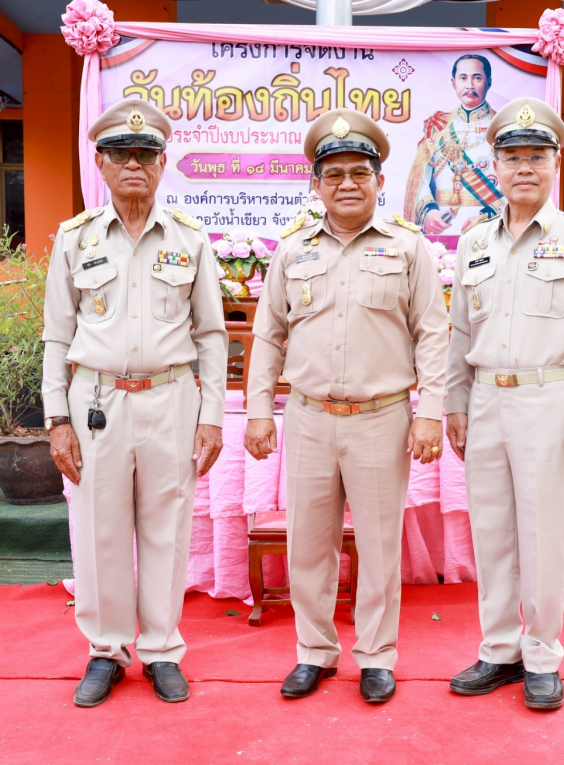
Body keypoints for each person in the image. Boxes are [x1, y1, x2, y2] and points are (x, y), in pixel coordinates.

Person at [244, 108, 449, 705]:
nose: (347, 184)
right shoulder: (292, 251)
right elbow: (268, 335)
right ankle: (314, 652)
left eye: (360, 172)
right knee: (309, 544)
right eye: (333, 175)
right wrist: (261, 410)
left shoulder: (409, 249)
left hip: (381, 418)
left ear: (381, 182)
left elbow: (433, 334)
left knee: (381, 546)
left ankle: (378, 657)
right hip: (307, 416)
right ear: (316, 185)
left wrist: (430, 412)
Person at [41, 99, 228, 708]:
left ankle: (162, 649)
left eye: (145, 154)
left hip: (170, 400)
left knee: (167, 528)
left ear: (162, 163)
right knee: (98, 530)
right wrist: (56, 419)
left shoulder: (190, 240)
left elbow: (211, 335)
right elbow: (56, 335)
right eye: (120, 153)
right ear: (100, 162)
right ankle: (106, 649)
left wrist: (212, 417)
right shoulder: (74, 239)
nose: (133, 165)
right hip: (95, 400)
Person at [445, 97, 564, 711]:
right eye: (512, 157)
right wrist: (455, 404)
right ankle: (498, 650)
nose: (524, 167)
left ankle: (542, 654)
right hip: (488, 397)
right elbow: (461, 334)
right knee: (491, 531)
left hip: (552, 397)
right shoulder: (473, 243)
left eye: (536, 156)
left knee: (546, 533)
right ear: (494, 164)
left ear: (555, 163)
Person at [404, 54, 503, 235]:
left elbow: (515, 184)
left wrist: (488, 216)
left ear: (488, 82)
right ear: (453, 82)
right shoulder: (437, 126)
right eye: (463, 78)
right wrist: (429, 213)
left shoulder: (502, 127)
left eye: (477, 78)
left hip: (489, 226)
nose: (470, 85)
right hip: (442, 227)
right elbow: (420, 180)